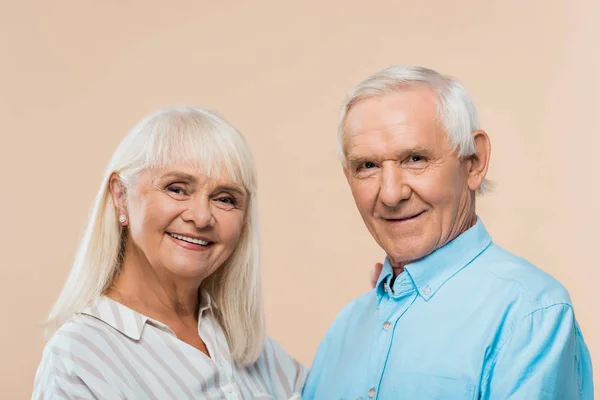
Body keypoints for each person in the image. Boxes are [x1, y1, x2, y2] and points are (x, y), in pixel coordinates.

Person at [303, 66, 594, 399]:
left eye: (415, 158)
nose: (390, 194)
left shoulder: (530, 314)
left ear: (474, 162)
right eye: (367, 166)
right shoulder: (347, 326)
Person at [32, 107, 306, 399]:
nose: (201, 217)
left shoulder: (250, 347)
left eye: (225, 199)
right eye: (177, 189)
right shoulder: (78, 358)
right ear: (120, 196)